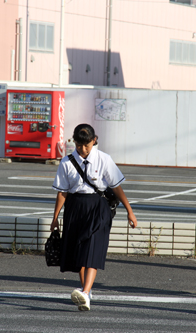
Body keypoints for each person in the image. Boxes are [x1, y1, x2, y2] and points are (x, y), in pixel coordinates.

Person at [51, 124, 137, 311]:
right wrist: (55, 217)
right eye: (80, 145)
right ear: (74, 142)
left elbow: (116, 187)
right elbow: (62, 193)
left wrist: (129, 210)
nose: (83, 149)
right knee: (80, 252)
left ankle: (86, 291)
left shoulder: (104, 159)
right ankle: (86, 294)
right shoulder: (66, 162)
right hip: (75, 207)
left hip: (99, 207)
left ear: (94, 140)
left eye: (87, 145)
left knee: (92, 248)